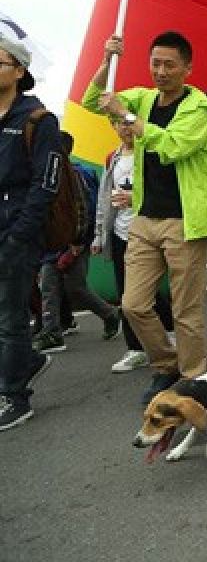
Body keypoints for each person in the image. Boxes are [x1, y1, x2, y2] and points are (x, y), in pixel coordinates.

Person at [82, 32, 207, 405]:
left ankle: (194, 380)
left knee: (185, 308)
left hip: (186, 221)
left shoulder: (200, 108)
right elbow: (93, 101)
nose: (160, 71)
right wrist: (106, 60)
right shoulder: (145, 98)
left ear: (187, 68)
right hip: (145, 218)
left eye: (169, 64)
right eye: (155, 63)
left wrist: (125, 114)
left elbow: (172, 145)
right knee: (132, 303)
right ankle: (166, 364)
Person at [0, 36, 56, 431]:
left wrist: (20, 234)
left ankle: (15, 397)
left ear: (19, 71)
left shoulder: (37, 119)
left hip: (16, 233)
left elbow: (46, 182)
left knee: (10, 316)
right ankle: (28, 362)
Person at [94, 115, 174, 373]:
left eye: (129, 123)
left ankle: (169, 331)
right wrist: (99, 235)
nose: (125, 128)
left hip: (147, 230)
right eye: (119, 123)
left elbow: (163, 189)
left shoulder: (150, 152)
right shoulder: (112, 158)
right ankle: (135, 349)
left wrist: (134, 197)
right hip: (120, 232)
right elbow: (104, 199)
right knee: (125, 293)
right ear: (113, 126)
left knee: (147, 292)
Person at [32, 131, 121, 353]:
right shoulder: (47, 175)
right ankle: (52, 332)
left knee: (77, 289)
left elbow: (84, 209)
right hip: (53, 244)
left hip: (74, 242)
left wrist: (78, 242)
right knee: (48, 287)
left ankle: (110, 315)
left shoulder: (73, 176)